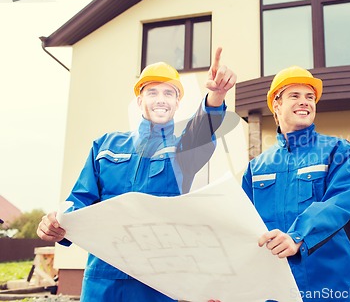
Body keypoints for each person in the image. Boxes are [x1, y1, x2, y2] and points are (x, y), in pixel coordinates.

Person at [37, 47, 236, 302]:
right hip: (103, 278)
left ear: (177, 104)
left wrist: (216, 95)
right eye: (152, 92)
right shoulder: (105, 146)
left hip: (157, 282)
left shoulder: (182, 151)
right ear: (140, 100)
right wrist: (56, 224)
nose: (160, 99)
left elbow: (201, 131)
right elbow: (80, 200)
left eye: (169, 93)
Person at [242, 66, 350, 302]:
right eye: (295, 96)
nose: (305, 102)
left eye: (310, 97)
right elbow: (241, 225)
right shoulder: (256, 168)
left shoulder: (338, 151)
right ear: (276, 105)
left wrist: (297, 235)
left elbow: (339, 203)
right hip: (275, 288)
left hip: (333, 286)